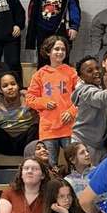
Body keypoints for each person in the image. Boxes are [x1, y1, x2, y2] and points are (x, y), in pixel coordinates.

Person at [24, 36, 78, 165]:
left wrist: (71, 112)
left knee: (74, 163)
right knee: (49, 165)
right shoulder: (40, 74)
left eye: (63, 49)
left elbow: (81, 97)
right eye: (56, 49)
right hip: (48, 129)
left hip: (69, 127)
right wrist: (44, 103)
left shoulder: (72, 72)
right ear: (48, 51)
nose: (60, 52)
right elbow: (30, 98)